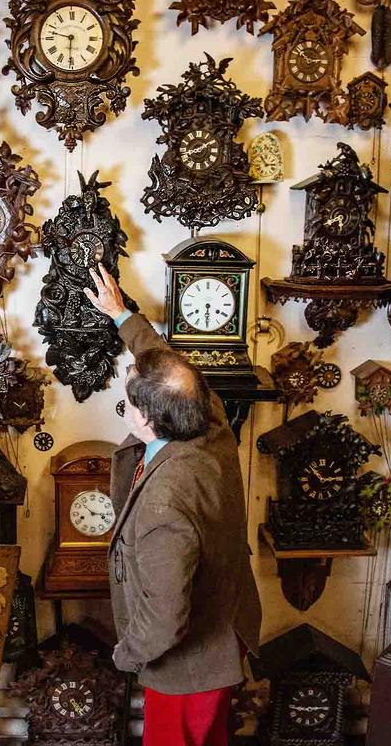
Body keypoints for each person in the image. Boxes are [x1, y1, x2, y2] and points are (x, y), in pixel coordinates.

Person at [83, 265, 262, 746]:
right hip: (224, 631)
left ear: (143, 419)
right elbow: (168, 366)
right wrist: (122, 316)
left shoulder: (166, 503)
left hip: (190, 666)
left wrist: (128, 654)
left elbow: (165, 616)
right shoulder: (209, 421)